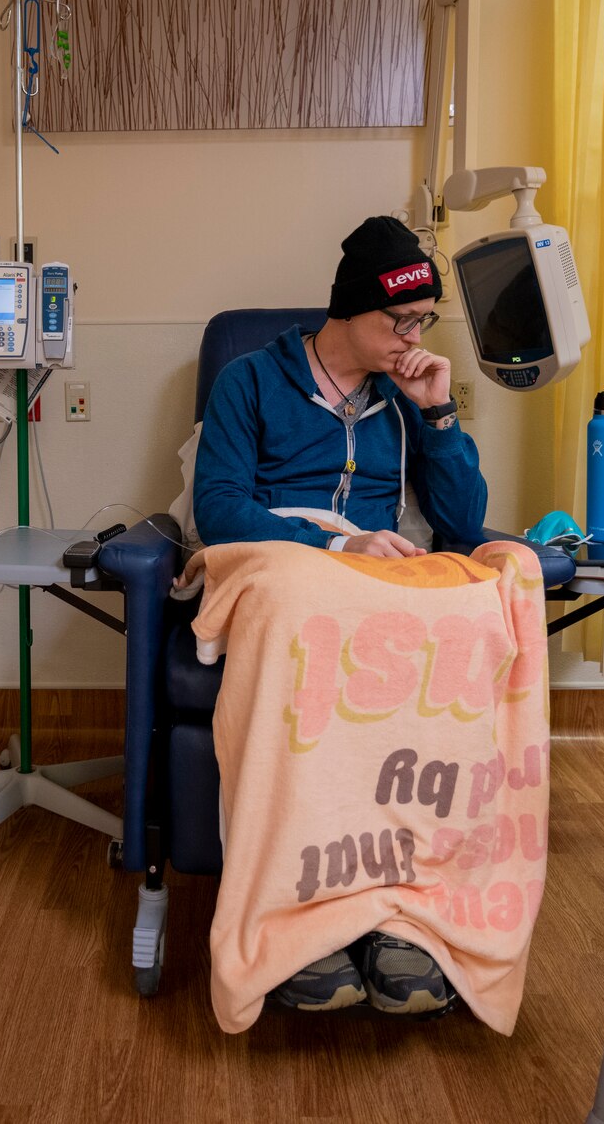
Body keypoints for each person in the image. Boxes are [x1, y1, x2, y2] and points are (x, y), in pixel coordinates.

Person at [192, 214, 482, 1018]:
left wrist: (440, 413)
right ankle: (300, 919)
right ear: (349, 310)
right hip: (282, 574)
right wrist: (335, 549)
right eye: (401, 321)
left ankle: (404, 917)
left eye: (423, 322)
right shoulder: (248, 382)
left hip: (373, 595)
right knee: (300, 610)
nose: (412, 336)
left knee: (462, 618)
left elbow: (461, 521)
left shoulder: (402, 397)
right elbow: (218, 509)